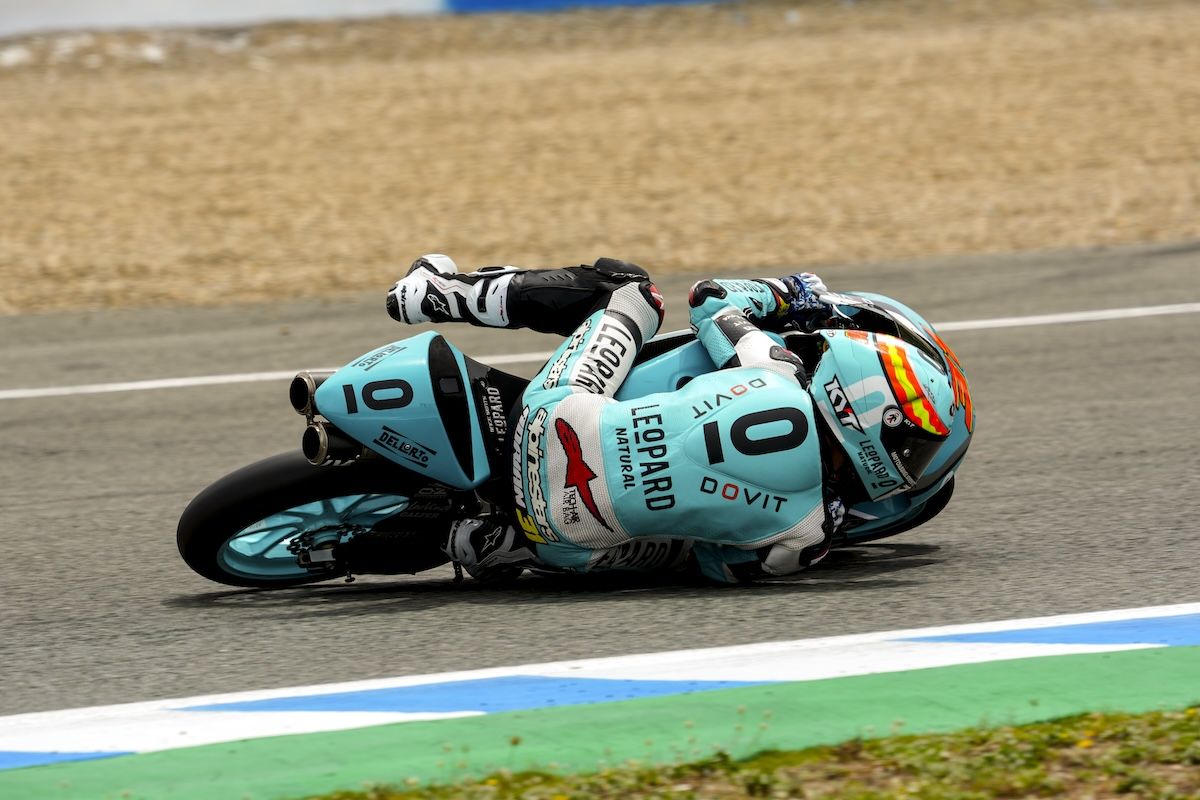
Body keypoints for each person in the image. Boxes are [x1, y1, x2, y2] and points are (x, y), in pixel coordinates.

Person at [384, 254, 972, 583]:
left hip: (556, 414)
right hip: (568, 537)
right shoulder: (811, 533)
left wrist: (785, 293)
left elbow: (710, 299)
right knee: (681, 550)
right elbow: (720, 565)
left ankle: (438, 292)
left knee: (629, 291)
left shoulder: (774, 366)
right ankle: (499, 545)